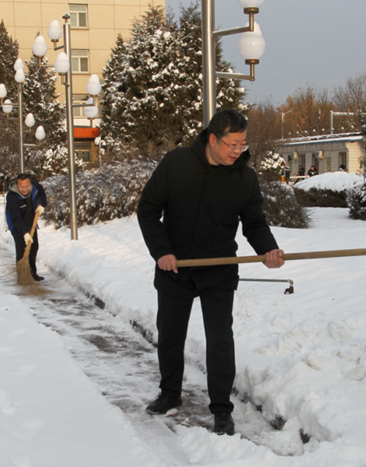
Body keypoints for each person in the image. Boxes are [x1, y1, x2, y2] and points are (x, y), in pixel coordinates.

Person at [137, 109, 284, 436]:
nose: (238, 150)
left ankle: (221, 409)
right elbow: (148, 209)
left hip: (219, 268)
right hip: (175, 267)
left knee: (220, 339)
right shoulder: (176, 164)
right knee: (171, 335)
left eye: (243, 144)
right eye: (233, 144)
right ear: (213, 139)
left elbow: (255, 223)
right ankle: (170, 394)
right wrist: (162, 251)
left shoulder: (244, 177)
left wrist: (268, 250)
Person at [5, 174, 47, 281]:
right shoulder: (12, 196)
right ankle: (22, 276)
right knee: (22, 248)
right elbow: (15, 218)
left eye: (27, 186)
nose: (25, 189)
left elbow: (42, 193)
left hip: (31, 220)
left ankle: (32, 274)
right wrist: (24, 233)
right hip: (16, 224)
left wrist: (42, 205)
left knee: (33, 247)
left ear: (30, 183)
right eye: (22, 187)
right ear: (17, 185)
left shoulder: (34, 186)